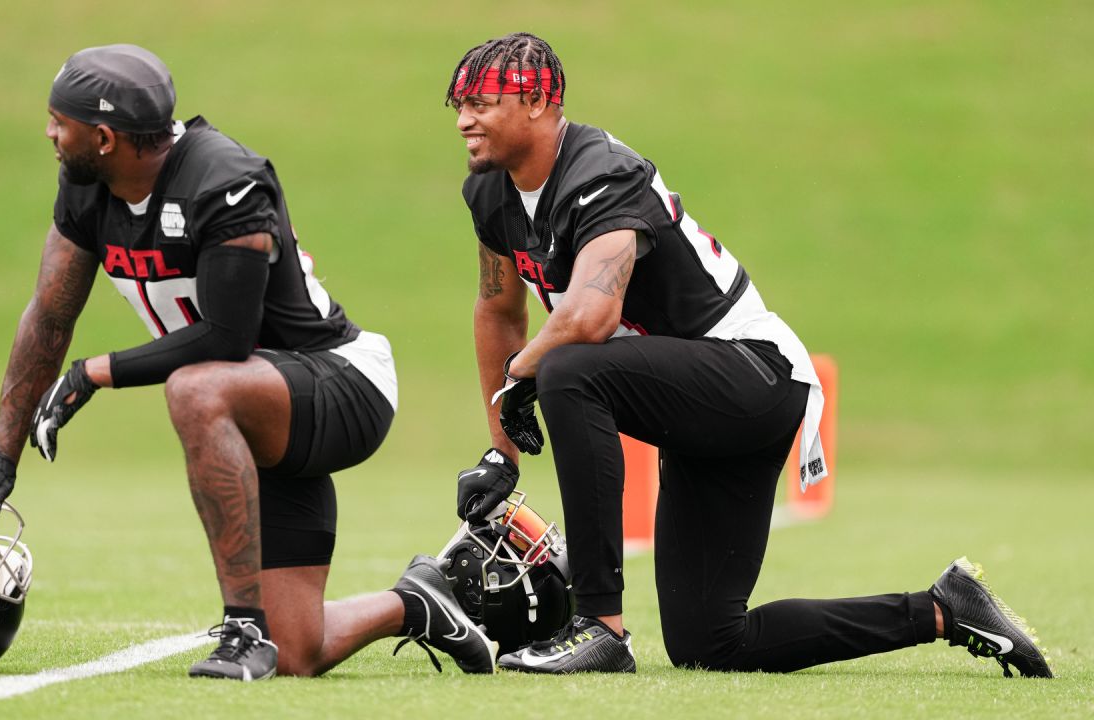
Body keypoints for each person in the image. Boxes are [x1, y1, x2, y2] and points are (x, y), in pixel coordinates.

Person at [446, 32, 1052, 678]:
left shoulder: (601, 171)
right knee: (712, 643)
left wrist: (524, 373)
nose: (464, 121)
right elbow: (498, 311)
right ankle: (943, 609)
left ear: (541, 101)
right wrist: (499, 452)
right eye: (458, 105)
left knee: (569, 369)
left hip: (754, 375)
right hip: (694, 400)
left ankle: (600, 626)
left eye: (481, 103)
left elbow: (593, 316)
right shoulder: (490, 194)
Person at [0, 44, 495, 681]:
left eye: (57, 121)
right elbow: (50, 315)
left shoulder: (224, 178)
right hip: (259, 404)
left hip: (341, 382)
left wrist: (96, 372)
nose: (48, 133)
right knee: (297, 654)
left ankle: (240, 630)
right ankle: (417, 603)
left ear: (102, 137)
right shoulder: (88, 185)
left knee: (195, 390)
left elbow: (227, 338)